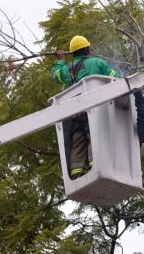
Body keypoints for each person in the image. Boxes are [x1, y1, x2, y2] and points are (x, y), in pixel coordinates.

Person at [51, 35, 120, 179]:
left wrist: (60, 60)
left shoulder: (67, 68)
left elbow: (55, 75)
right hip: (96, 108)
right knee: (95, 135)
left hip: (76, 112)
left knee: (79, 137)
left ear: (73, 54)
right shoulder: (97, 62)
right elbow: (116, 79)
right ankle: (93, 165)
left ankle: (76, 173)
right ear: (88, 50)